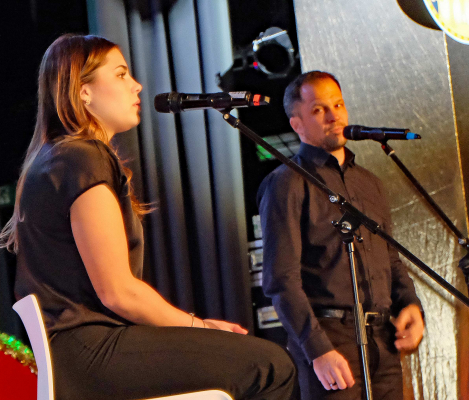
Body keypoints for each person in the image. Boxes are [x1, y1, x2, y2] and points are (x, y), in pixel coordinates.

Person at [0, 34, 296, 400]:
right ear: (83, 91)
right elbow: (118, 293)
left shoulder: (57, 159)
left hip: (77, 352)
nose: (136, 85)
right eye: (121, 74)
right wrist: (200, 327)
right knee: (271, 366)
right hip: (91, 351)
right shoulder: (82, 158)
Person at [257, 71, 425, 400]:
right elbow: (281, 280)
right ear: (297, 124)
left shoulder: (370, 183)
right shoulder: (287, 183)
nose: (334, 116)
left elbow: (390, 259)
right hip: (331, 337)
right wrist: (317, 350)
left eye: (338, 105)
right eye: (319, 109)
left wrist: (411, 304)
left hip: (383, 340)